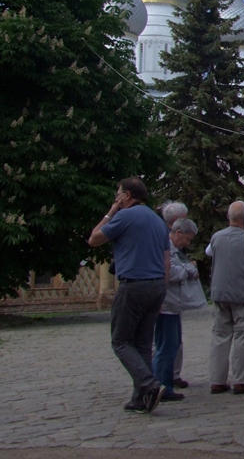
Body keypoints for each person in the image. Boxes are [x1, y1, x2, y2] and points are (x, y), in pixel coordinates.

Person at [88, 176, 170, 414]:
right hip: (156, 286)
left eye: (118, 194)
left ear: (127, 195)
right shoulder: (158, 221)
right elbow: (166, 260)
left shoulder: (124, 216)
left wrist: (110, 212)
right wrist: (162, 288)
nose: (116, 198)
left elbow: (94, 239)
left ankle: (149, 384)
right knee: (143, 343)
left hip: (133, 285)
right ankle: (140, 398)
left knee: (121, 341)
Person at [206, 200, 244, 395]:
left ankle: (217, 380)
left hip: (220, 292)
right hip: (243, 292)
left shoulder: (217, 237)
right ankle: (241, 379)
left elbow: (208, 253)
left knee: (220, 335)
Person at [153, 217, 199, 401]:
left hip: (172, 304)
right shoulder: (167, 248)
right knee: (167, 346)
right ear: (177, 232)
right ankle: (162, 386)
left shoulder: (174, 250)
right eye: (186, 239)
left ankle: (163, 384)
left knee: (172, 344)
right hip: (166, 305)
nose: (187, 243)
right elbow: (170, 272)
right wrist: (188, 269)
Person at [161, 201, 190, 390]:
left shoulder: (175, 242)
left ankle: (173, 374)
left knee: (174, 340)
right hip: (166, 299)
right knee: (166, 342)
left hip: (173, 299)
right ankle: (164, 379)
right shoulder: (164, 239)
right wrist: (187, 270)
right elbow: (169, 270)